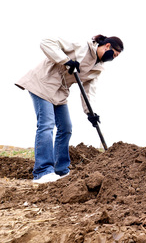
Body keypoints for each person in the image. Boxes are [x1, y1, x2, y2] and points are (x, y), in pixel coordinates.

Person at [15, 35, 124, 183]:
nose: (112, 59)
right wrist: (66, 60)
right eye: (114, 54)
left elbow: (88, 91)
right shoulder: (82, 46)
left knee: (66, 127)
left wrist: (90, 113)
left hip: (60, 92)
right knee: (46, 125)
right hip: (43, 83)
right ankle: (42, 172)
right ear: (107, 46)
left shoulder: (97, 68)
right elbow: (46, 42)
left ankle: (61, 170)